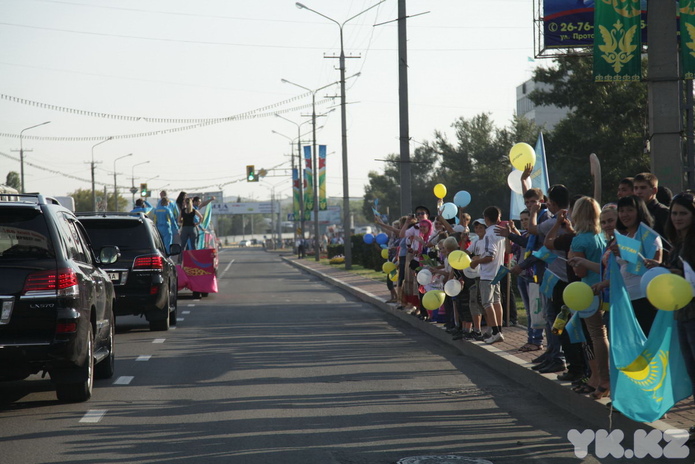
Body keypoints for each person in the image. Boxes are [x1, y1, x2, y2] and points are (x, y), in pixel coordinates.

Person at [568, 196, 610, 398]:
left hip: (588, 291)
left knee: (595, 336)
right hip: (606, 289)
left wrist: (573, 260)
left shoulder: (579, 239)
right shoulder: (602, 236)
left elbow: (580, 272)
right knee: (602, 334)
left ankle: (600, 378)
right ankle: (600, 378)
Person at [663, 191, 695, 423]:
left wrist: (678, 273)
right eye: (674, 213)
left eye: (683, 213)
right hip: (681, 313)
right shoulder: (678, 241)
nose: (677, 217)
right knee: (691, 370)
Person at [613, 194, 663, 335]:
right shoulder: (625, 237)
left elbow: (655, 266)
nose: (624, 214)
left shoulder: (650, 236)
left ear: (639, 211)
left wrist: (627, 254)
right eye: (621, 210)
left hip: (645, 298)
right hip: (627, 299)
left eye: (629, 210)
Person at [469, 206, 506, 344]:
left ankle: (495, 332)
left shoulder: (489, 234)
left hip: (488, 273)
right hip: (498, 271)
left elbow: (490, 256)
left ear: (486, 218)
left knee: (487, 302)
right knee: (497, 302)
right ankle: (499, 330)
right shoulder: (499, 232)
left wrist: (476, 262)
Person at [633, 172, 669, 236]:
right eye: (636, 188)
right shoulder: (634, 211)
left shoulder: (663, 212)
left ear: (654, 190)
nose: (638, 192)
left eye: (643, 188)